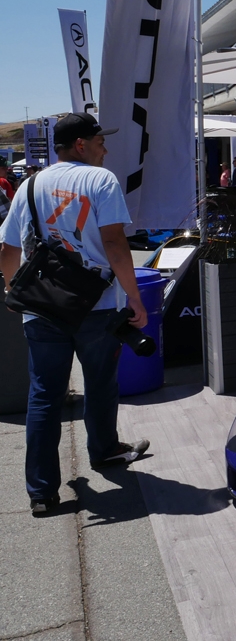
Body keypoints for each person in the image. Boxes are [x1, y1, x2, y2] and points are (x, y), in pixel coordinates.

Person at [0, 112, 150, 516]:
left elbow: (9, 250)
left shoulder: (28, 185)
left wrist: (15, 291)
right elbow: (115, 243)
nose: (105, 146)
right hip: (96, 306)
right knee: (100, 384)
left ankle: (42, 492)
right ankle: (104, 452)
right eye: (100, 139)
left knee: (44, 397)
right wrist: (135, 299)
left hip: (41, 308)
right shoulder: (101, 181)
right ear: (81, 144)